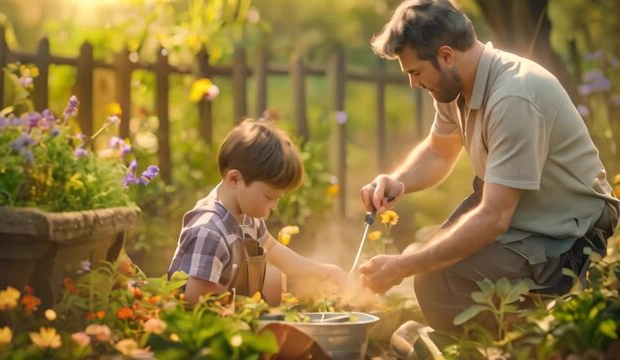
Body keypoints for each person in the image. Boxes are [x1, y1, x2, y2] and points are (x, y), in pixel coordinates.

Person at [358, 0, 619, 335]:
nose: (414, 84)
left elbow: (494, 217)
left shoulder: (513, 97)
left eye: (415, 72)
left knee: (442, 280)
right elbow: (439, 152)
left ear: (447, 55)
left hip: (568, 232)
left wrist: (401, 267)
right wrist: (397, 180)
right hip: (519, 208)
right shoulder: (454, 86)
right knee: (433, 274)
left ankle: (534, 339)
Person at [168, 119, 346, 305]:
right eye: (270, 197)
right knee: (271, 279)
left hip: (234, 314)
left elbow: (274, 250)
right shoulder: (209, 232)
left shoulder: (247, 218)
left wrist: (324, 271)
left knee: (273, 277)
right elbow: (197, 304)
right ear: (235, 180)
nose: (274, 206)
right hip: (202, 323)